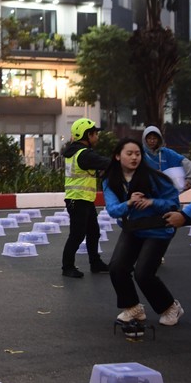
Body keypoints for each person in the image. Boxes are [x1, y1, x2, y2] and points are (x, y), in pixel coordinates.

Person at [103, 138, 183, 326]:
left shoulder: (153, 176)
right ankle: (133, 308)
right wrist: (129, 203)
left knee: (143, 273)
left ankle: (171, 307)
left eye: (137, 154)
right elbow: (113, 209)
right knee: (117, 267)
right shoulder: (110, 181)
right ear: (117, 156)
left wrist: (152, 202)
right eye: (129, 154)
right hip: (134, 229)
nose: (134, 158)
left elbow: (174, 202)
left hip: (158, 230)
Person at [61, 118, 111, 278]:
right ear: (87, 135)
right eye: (95, 134)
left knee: (93, 232)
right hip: (78, 200)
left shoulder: (75, 153)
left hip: (82, 199)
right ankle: (67, 267)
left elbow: (86, 172)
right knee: (77, 235)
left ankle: (95, 263)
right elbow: (106, 162)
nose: (97, 137)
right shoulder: (84, 154)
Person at [141, 126, 191, 191]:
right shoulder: (140, 153)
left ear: (159, 139)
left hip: (165, 190)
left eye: (154, 138)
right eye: (149, 138)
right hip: (147, 189)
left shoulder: (166, 152)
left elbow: (185, 162)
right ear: (144, 139)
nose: (152, 141)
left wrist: (189, 179)